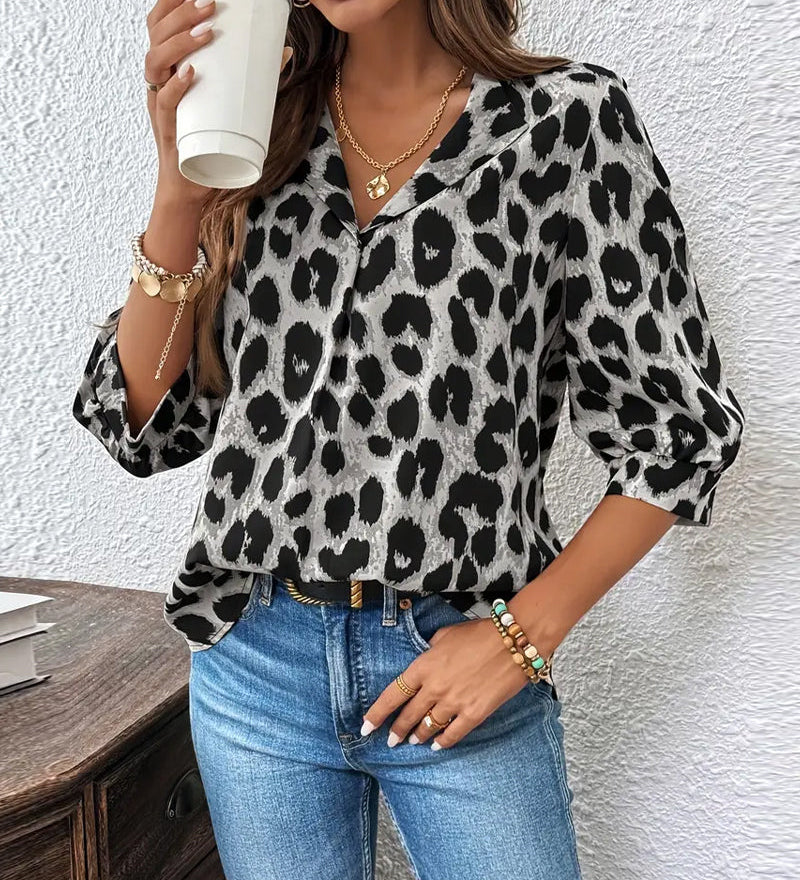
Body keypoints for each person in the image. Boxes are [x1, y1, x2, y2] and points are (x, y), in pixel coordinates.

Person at [71, 1, 746, 878]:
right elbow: (144, 427)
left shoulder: (567, 123)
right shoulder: (256, 122)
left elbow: (680, 432)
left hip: (455, 651)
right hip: (256, 665)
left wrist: (521, 638)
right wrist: (179, 187)